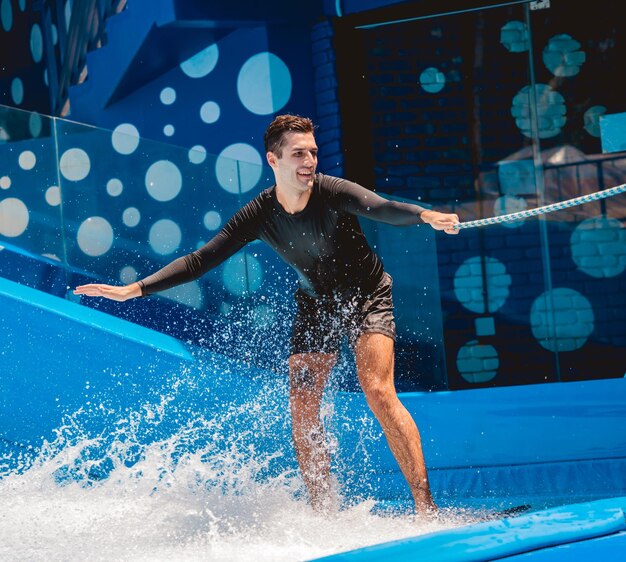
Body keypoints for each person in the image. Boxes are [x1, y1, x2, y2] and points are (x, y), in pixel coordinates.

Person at [74, 114, 460, 514]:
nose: (309, 160)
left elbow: (379, 207)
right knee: (302, 402)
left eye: (313, 152)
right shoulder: (258, 213)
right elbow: (200, 260)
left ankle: (425, 508)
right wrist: (135, 289)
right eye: (298, 154)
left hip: (366, 295)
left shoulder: (332, 192)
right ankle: (324, 513)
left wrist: (423, 215)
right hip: (317, 305)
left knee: (377, 389)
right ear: (274, 160)